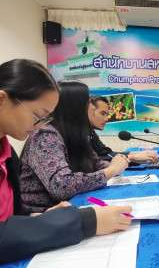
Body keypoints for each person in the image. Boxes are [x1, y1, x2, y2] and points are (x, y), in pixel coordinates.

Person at [0, 59, 132, 264]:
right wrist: (83, 221)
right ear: (2, 100)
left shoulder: (6, 149)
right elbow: (62, 186)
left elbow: (9, 219)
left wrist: (36, 221)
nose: (39, 125)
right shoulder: (45, 136)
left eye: (46, 117)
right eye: (37, 115)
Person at [20, 81, 130, 214]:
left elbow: (95, 162)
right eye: (89, 102)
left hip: (72, 206)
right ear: (75, 106)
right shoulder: (46, 136)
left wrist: (117, 164)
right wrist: (111, 170)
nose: (93, 108)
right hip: (43, 215)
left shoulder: (77, 134)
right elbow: (61, 186)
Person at [89, 95, 158, 163]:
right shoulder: (79, 136)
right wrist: (131, 157)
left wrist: (134, 154)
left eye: (107, 114)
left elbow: (106, 153)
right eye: (102, 114)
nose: (106, 119)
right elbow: (95, 162)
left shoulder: (91, 132)